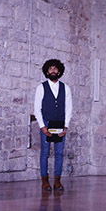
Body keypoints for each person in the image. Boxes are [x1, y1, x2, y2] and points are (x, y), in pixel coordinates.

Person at [33, 58, 72, 192]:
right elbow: (37, 109)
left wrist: (66, 126)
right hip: (46, 123)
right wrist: (42, 127)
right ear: (46, 71)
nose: (53, 70)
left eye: (55, 68)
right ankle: (44, 180)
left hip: (60, 123)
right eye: (50, 68)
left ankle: (57, 180)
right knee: (45, 153)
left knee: (59, 153)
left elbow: (69, 108)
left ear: (59, 71)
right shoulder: (41, 87)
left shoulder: (65, 88)